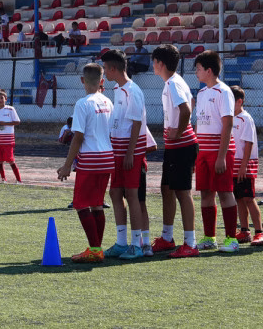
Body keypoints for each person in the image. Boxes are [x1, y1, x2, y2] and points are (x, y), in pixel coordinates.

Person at [101, 49, 156, 260]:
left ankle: (137, 245)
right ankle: (122, 243)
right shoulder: (118, 88)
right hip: (118, 149)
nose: (104, 72)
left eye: (106, 68)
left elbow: (136, 123)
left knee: (132, 195)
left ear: (113, 68)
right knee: (115, 193)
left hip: (128, 151)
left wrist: (131, 153)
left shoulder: (133, 91)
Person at [56, 63, 114, 263]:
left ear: (82, 80)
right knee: (97, 204)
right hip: (108, 158)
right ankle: (96, 248)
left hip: (90, 159)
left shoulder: (83, 103)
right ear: (102, 81)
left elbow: (78, 137)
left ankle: (95, 249)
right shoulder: (108, 101)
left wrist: (66, 166)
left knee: (81, 204)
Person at [149, 45, 200, 258]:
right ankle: (167, 238)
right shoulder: (175, 82)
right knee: (167, 189)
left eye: (154, 61)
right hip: (176, 146)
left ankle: (191, 243)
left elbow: (186, 109)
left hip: (182, 146)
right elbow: (191, 103)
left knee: (182, 192)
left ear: (160, 63)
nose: (152, 65)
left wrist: (179, 132)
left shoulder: (172, 83)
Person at [192, 50, 240, 253]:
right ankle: (210, 237)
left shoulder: (224, 91)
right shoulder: (202, 93)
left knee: (225, 193)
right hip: (203, 150)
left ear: (209, 71)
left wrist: (221, 156)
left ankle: (231, 239)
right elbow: (199, 124)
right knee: (205, 193)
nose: (196, 73)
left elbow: (227, 123)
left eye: (199, 69)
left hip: (219, 151)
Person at [230, 85, 263, 246]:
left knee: (248, 198)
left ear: (239, 101)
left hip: (245, 164)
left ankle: (260, 232)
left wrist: (244, 165)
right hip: (233, 164)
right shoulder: (229, 118)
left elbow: (249, 143)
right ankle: (244, 231)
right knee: (238, 198)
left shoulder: (245, 118)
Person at [0, 89, 22, 183]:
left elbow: (17, 122)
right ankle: (3, 179)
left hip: (8, 140)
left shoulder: (10, 109)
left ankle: (19, 180)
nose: (0, 100)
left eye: (2, 98)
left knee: (11, 160)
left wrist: (5, 123)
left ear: (6, 99)